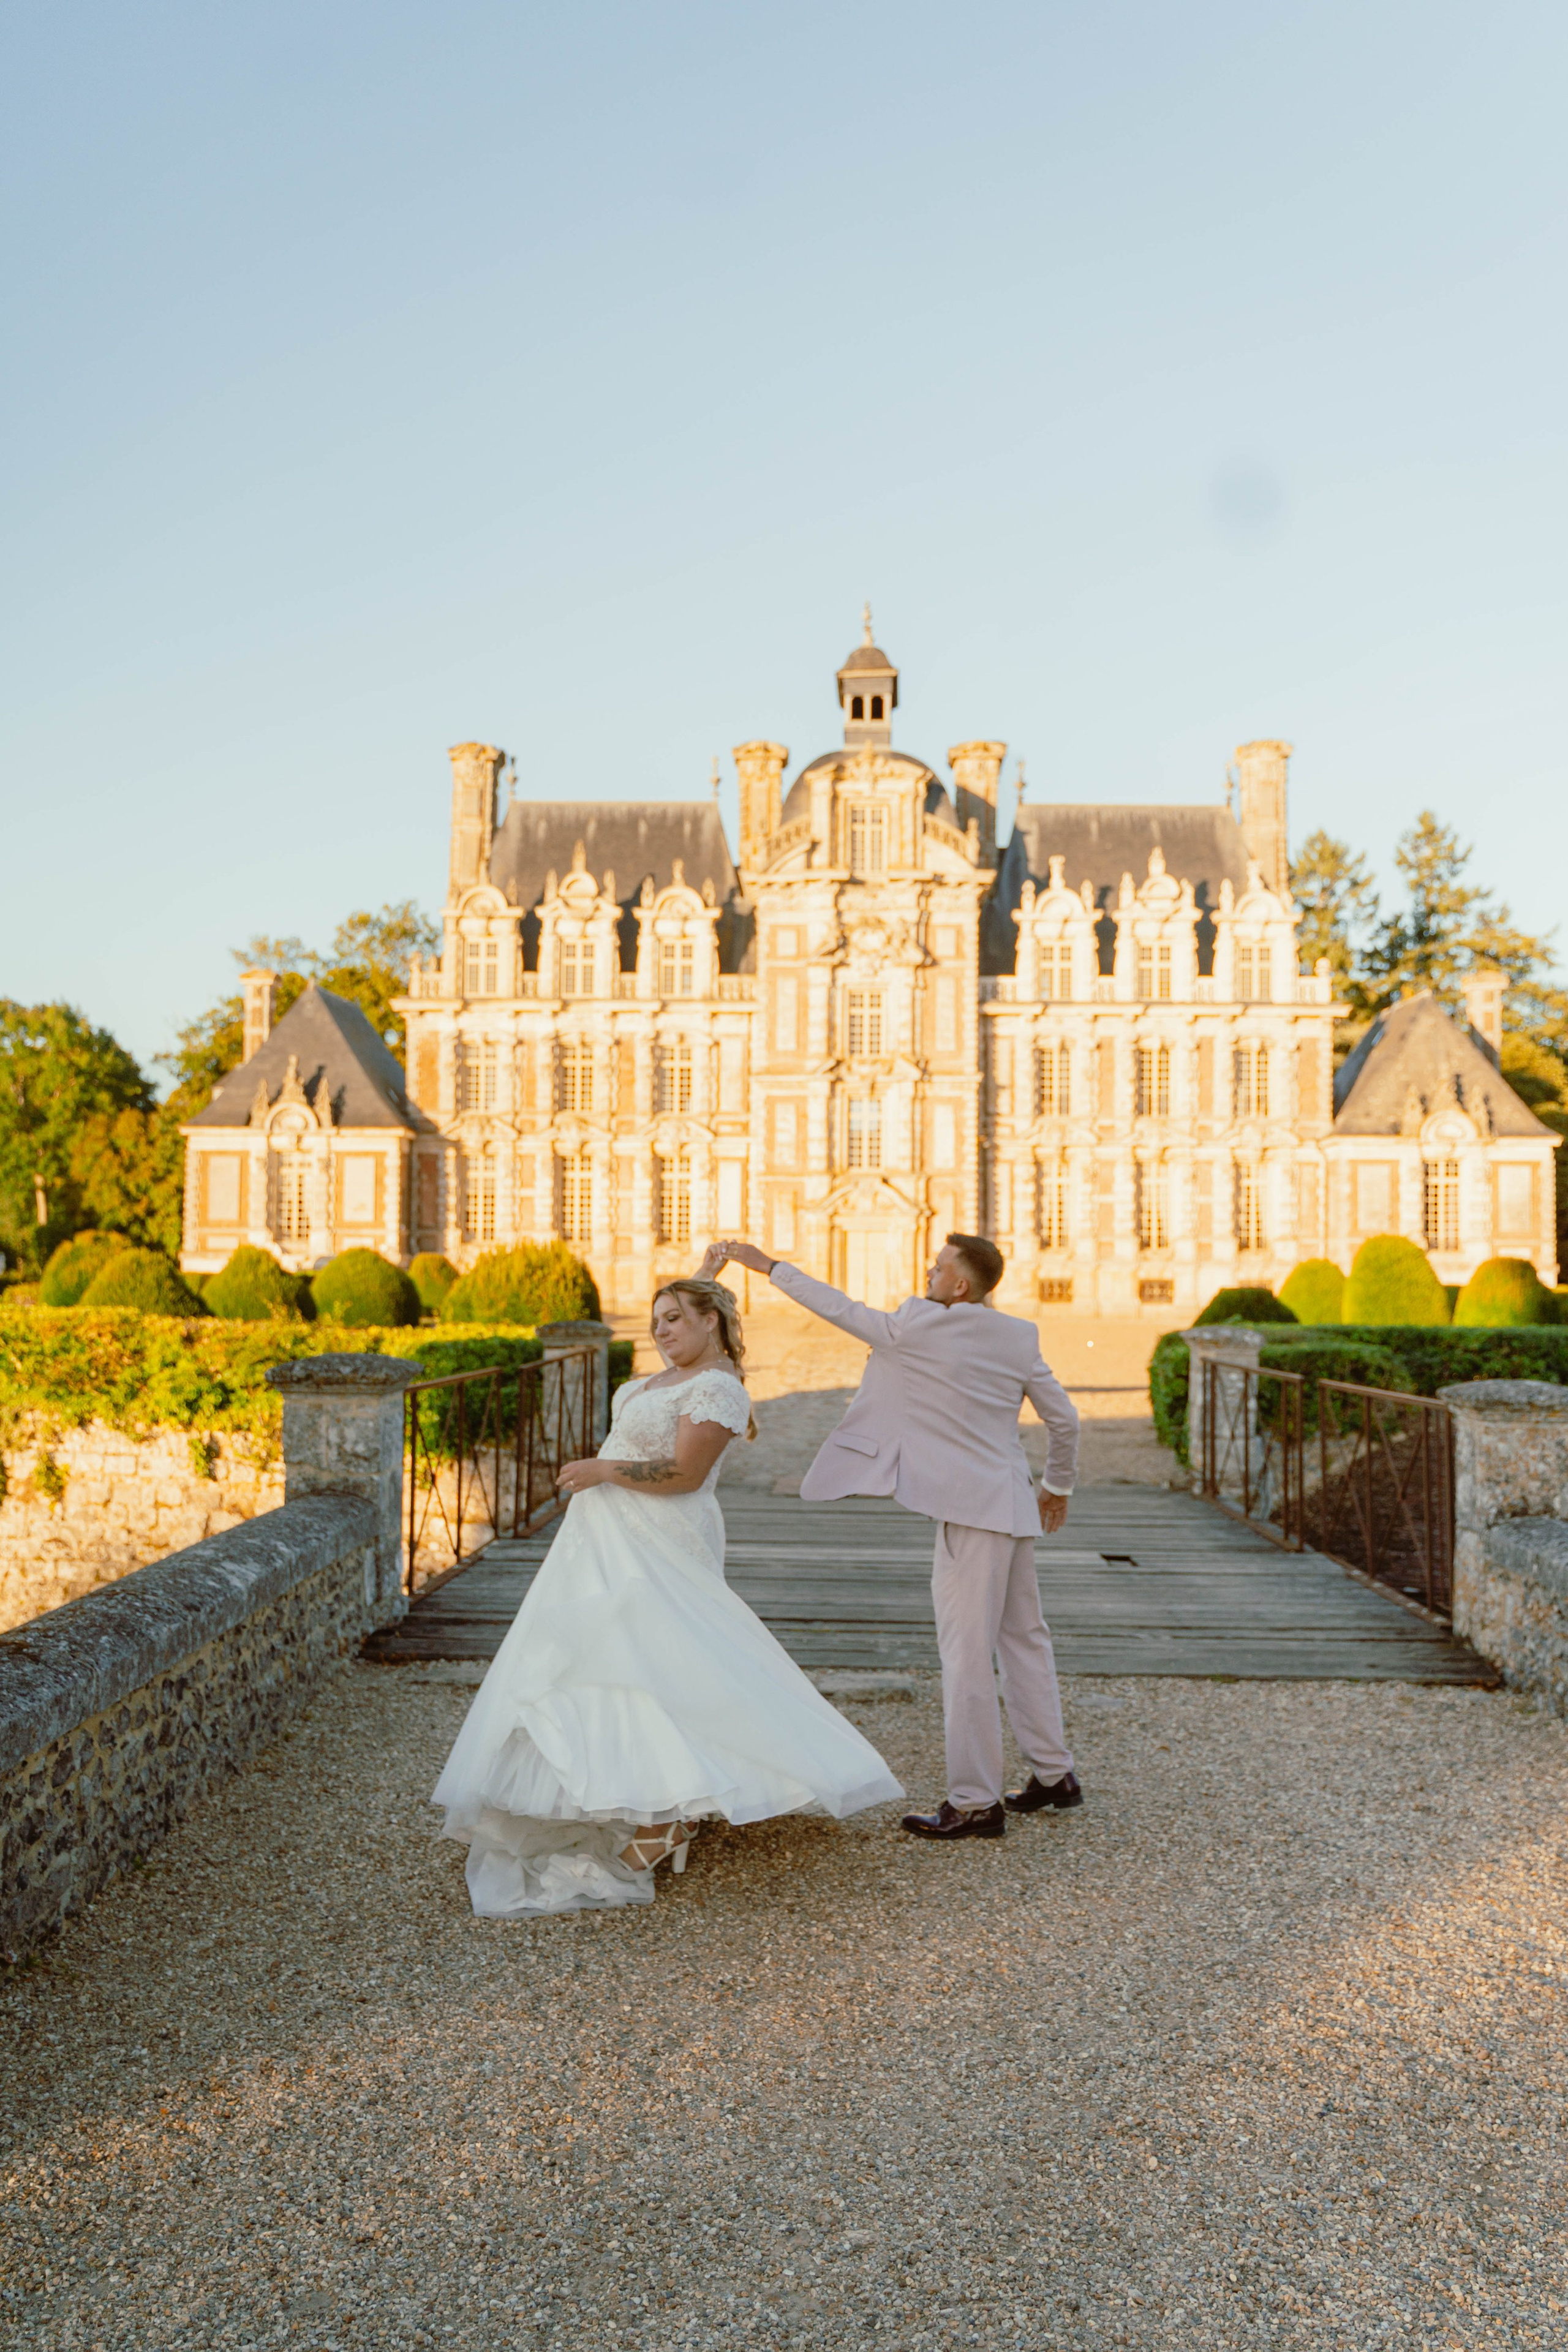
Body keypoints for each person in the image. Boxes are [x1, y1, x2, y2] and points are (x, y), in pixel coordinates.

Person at [431, 1273, 903, 1915]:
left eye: (676, 1317)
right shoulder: (641, 1385)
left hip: (660, 1543)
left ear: (712, 1321)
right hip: (597, 1546)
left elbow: (685, 1474)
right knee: (597, 1667)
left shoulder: (719, 1388)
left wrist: (603, 1470)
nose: (662, 1329)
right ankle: (626, 1796)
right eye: (656, 1319)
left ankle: (671, 1815)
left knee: (667, 1663)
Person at [711, 1234, 1081, 1842]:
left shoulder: (918, 1324)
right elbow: (1062, 1418)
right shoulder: (1018, 1334)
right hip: (1012, 1503)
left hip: (970, 1512)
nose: (928, 1274)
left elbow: (839, 1309)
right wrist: (1056, 1487)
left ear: (958, 1286)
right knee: (1024, 1642)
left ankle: (974, 1802)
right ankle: (1054, 1774)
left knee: (966, 1658)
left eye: (938, 1269)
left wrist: (769, 1266)